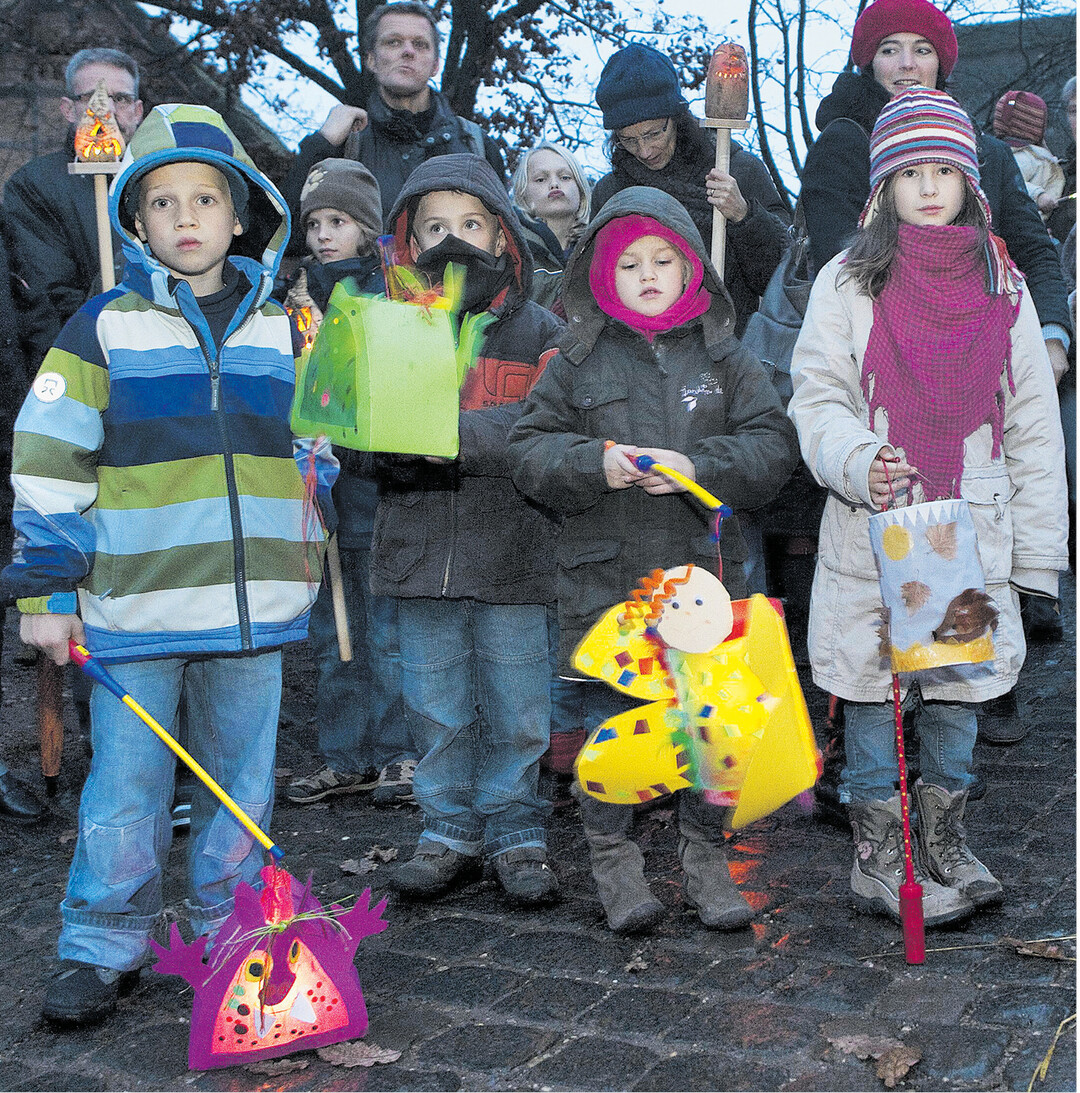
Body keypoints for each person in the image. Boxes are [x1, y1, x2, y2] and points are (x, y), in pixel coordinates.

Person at [5, 103, 337, 1026]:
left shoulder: (289, 328)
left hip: (254, 608)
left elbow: (319, 434)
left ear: (242, 216)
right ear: (136, 221)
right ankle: (101, 941)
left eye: (205, 198)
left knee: (241, 786)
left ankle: (233, 932)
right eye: (162, 202)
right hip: (135, 605)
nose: (185, 217)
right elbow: (46, 457)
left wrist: (323, 466)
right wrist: (47, 586)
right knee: (125, 787)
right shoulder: (102, 328)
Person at [788, 89, 1068, 926]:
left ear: (972, 182)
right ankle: (882, 847)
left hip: (965, 525)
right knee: (874, 685)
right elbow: (819, 395)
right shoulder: (847, 280)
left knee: (952, 684)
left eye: (947, 169)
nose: (932, 185)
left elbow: (1030, 425)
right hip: (879, 518)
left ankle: (946, 834)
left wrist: (1034, 555)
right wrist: (857, 459)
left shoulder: (1002, 281)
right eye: (913, 171)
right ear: (883, 188)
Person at [508, 186, 800, 933]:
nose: (646, 273)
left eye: (663, 259)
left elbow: (772, 448)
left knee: (712, 730)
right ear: (602, 277)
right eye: (629, 262)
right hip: (610, 585)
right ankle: (613, 856)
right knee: (618, 731)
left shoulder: (726, 357)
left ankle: (705, 853)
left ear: (691, 267)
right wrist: (596, 462)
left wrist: (697, 463)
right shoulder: (574, 361)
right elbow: (528, 451)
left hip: (705, 579)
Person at [799, 0, 1072, 746]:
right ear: (867, 61)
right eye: (890, 48)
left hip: (969, 470)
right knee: (869, 676)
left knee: (957, 674)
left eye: (923, 48)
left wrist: (1046, 332)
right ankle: (875, 809)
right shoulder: (845, 148)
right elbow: (835, 320)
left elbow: (1030, 248)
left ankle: (948, 801)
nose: (907, 62)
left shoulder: (981, 159)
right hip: (884, 436)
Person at [374, 153, 564, 906]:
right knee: (435, 702)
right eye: (435, 228)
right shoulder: (390, 328)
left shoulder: (541, 329)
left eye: (471, 224)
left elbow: (540, 426)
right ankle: (446, 825)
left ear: (503, 237)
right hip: (418, 557)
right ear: (409, 244)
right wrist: (379, 434)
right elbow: (364, 436)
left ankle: (518, 828)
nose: (454, 241)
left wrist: (444, 433)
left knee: (519, 703)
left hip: (512, 553)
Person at [279, 159, 418, 808]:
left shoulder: (387, 295)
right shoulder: (295, 301)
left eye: (338, 221)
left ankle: (399, 751)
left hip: (373, 487)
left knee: (384, 629)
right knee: (334, 636)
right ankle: (344, 753)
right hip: (318, 494)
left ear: (365, 226)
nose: (324, 234)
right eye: (314, 223)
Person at [591, 43, 792, 338]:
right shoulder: (612, 193)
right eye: (629, 140)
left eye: (653, 133)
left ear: (676, 117)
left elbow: (782, 279)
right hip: (640, 357)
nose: (645, 151)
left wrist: (745, 217)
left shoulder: (736, 169)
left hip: (727, 351)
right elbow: (595, 289)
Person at [281, 1, 506, 235]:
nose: (408, 51)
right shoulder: (344, 146)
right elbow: (285, 234)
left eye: (420, 44)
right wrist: (322, 144)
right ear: (371, 60)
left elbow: (506, 244)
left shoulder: (476, 147)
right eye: (393, 42)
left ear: (435, 65)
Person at [5, 48, 144, 370]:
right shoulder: (35, 185)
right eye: (90, 98)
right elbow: (47, 297)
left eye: (120, 98)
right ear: (68, 109)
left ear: (137, 111)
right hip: (86, 360)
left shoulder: (160, 180)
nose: (106, 110)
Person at [510, 141, 591, 312]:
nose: (554, 184)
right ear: (523, 194)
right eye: (541, 179)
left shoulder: (601, 248)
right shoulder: (509, 254)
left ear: (581, 190)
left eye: (565, 177)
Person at [991, 91, 1065, 223]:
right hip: (1023, 228)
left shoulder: (995, 154)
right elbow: (1009, 184)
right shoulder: (1026, 158)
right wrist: (1039, 196)